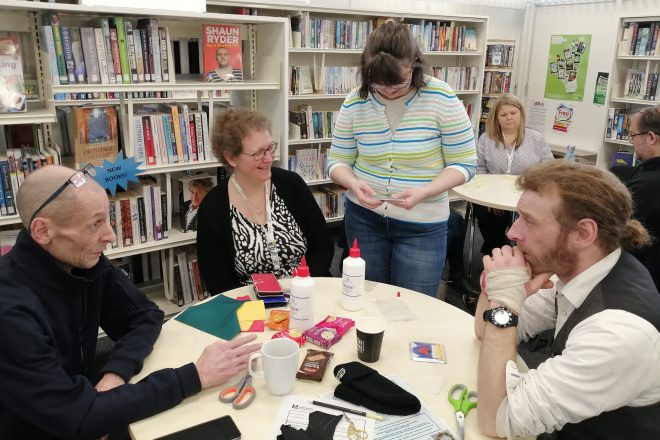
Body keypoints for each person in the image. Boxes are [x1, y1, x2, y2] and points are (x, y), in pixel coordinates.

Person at [0, 165, 260, 439]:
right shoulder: (10, 312)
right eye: (95, 224)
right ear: (43, 231)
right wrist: (194, 376)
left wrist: (116, 371)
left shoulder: (81, 261)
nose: (111, 236)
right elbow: (75, 416)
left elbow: (146, 315)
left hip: (85, 405)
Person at [475, 160, 660, 439]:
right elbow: (483, 331)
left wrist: (503, 301)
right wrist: (498, 289)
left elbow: (496, 421)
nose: (512, 233)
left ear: (583, 233)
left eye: (529, 220)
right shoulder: (582, 270)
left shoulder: (618, 332)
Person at [327, 20, 477, 298]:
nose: (389, 92)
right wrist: (352, 184)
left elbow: (465, 164)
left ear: (415, 65)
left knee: (413, 307)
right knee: (368, 300)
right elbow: (336, 161)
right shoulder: (355, 101)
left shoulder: (441, 97)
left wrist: (425, 191)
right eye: (378, 84)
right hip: (364, 218)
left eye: (398, 83)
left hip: (422, 224)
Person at [197, 109, 333, 295]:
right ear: (231, 157)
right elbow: (218, 281)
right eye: (259, 153)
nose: (270, 158)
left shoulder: (291, 184)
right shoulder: (213, 207)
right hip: (253, 304)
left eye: (270, 148)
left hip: (307, 291)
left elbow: (323, 246)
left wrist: (303, 288)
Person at [474, 94, 553, 255]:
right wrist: (490, 196)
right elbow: (479, 169)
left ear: (521, 114)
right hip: (493, 193)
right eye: (503, 115)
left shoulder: (535, 138)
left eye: (513, 113)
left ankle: (523, 252)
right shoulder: (486, 139)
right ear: (496, 118)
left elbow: (549, 168)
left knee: (537, 215)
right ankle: (498, 248)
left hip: (527, 192)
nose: (509, 118)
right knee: (484, 210)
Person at [621, 104, 660, 290]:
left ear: (651, 137)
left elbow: (620, 233)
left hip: (642, 280)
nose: (632, 142)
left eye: (633, 135)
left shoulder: (646, 185)